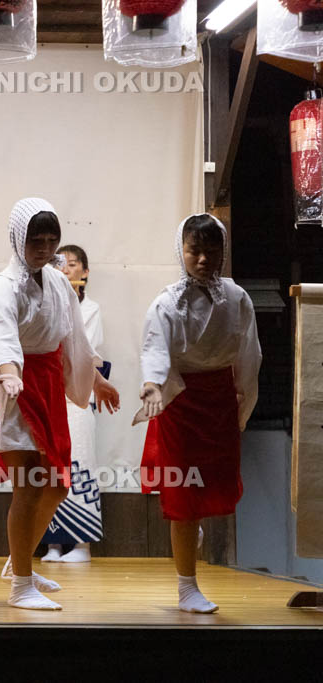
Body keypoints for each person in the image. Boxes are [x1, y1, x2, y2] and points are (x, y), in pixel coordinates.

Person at [0, 198, 119, 611]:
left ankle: (17, 560)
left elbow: (73, 336)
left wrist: (95, 379)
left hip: (47, 385)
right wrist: (8, 373)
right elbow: (1, 336)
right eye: (35, 240)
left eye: (50, 240)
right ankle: (21, 583)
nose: (43, 248)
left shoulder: (58, 282)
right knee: (27, 488)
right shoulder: (1, 287)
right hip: (16, 388)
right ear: (17, 240)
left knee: (56, 486)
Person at [135, 213, 261, 614]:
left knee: (212, 488)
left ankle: (190, 540)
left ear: (222, 252)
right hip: (180, 402)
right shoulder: (167, 301)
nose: (203, 259)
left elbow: (249, 353)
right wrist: (153, 384)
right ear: (181, 251)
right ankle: (186, 586)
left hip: (220, 399)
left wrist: (243, 398)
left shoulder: (237, 297)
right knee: (183, 495)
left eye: (211, 250)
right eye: (194, 250)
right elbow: (155, 348)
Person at [41, 244, 105, 564]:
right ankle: (52, 543)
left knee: (80, 462)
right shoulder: (45, 302)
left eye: (73, 264)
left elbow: (85, 351)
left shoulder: (90, 308)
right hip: (49, 393)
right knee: (51, 468)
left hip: (78, 395)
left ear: (85, 271)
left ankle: (82, 545)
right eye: (60, 264)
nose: (66, 269)